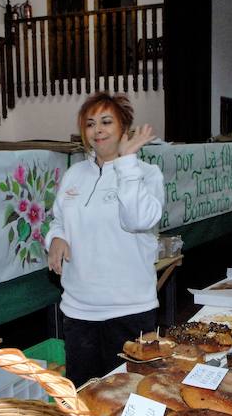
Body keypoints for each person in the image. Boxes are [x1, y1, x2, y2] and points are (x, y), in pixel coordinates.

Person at [45, 92, 163, 386]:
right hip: (79, 310)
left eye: (106, 122)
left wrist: (127, 163)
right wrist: (56, 238)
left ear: (124, 128)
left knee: (132, 400)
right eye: (90, 123)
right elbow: (58, 219)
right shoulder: (74, 174)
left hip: (130, 310)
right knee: (85, 400)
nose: (97, 130)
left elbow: (137, 220)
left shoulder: (147, 174)